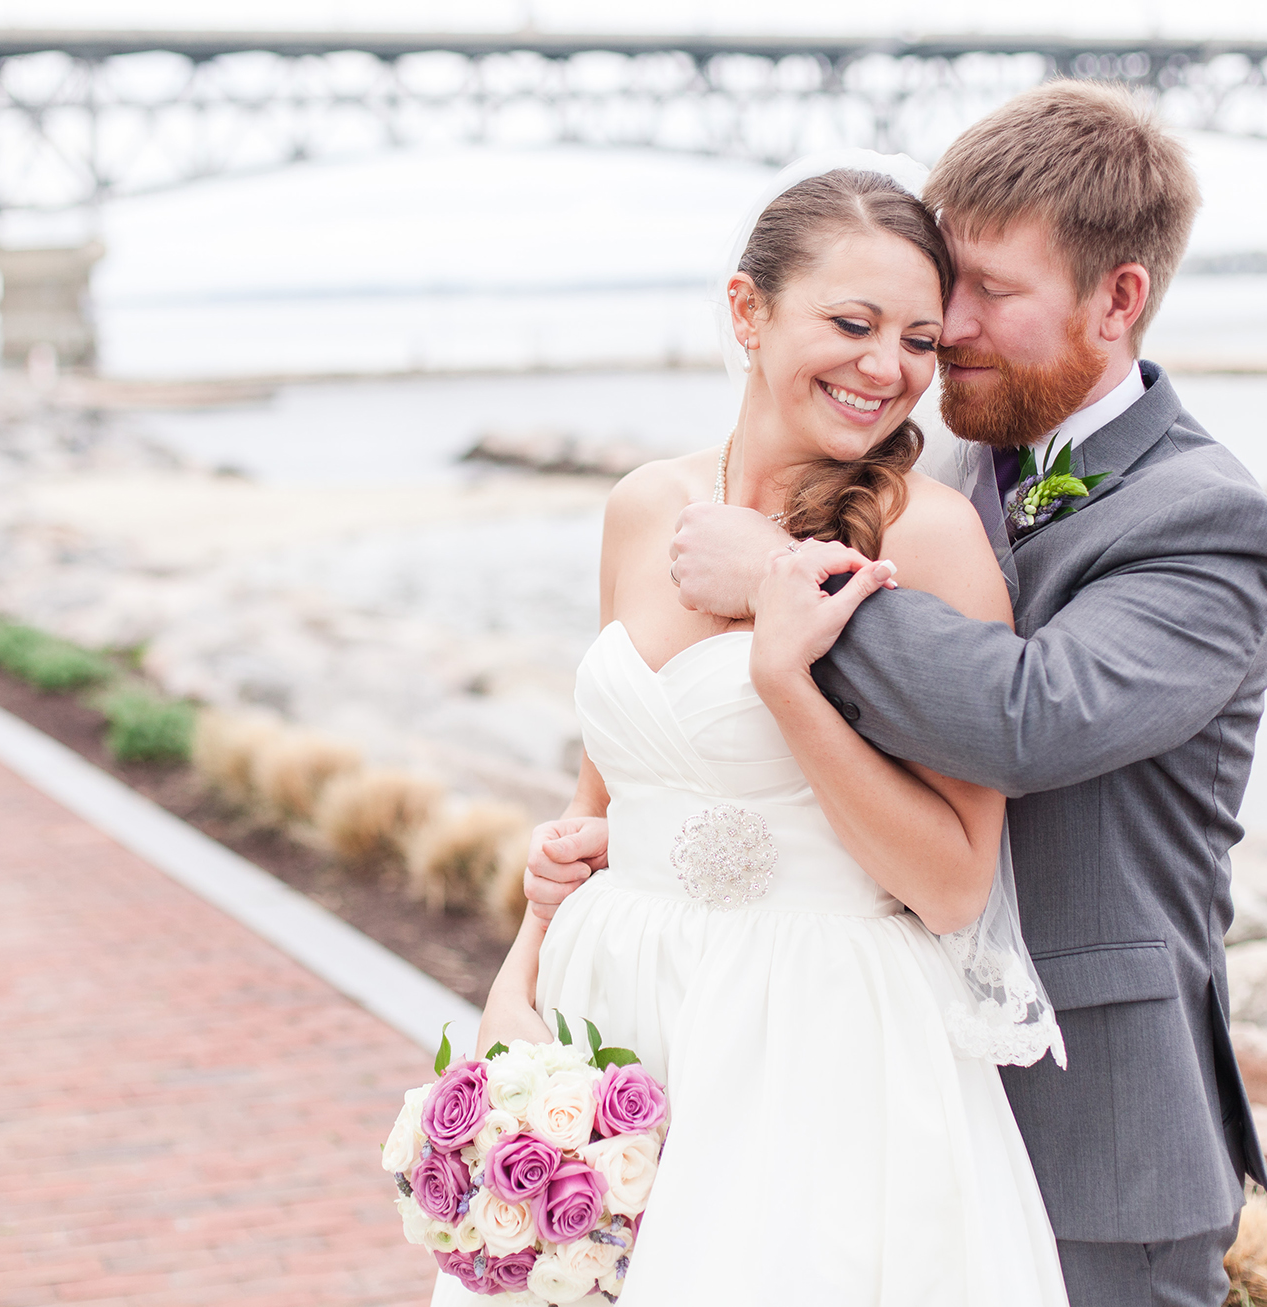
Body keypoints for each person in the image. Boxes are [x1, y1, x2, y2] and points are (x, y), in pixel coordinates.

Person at [529, 83, 1267, 1307]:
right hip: (805, 1054)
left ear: (1118, 299)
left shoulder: (1203, 518)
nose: (947, 327)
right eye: (941, 296)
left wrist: (777, 587)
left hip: (1087, 1100)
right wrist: (593, 861)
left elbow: (1036, 716)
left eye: (986, 291)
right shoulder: (935, 462)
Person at [453, 160, 1069, 1305]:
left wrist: (789, 678)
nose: (887, 368)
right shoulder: (644, 506)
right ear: (746, 311)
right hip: (615, 998)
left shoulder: (928, 542)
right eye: (852, 322)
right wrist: (519, 971)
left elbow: (949, 885)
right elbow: (605, 805)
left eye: (921, 341)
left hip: (815, 1036)